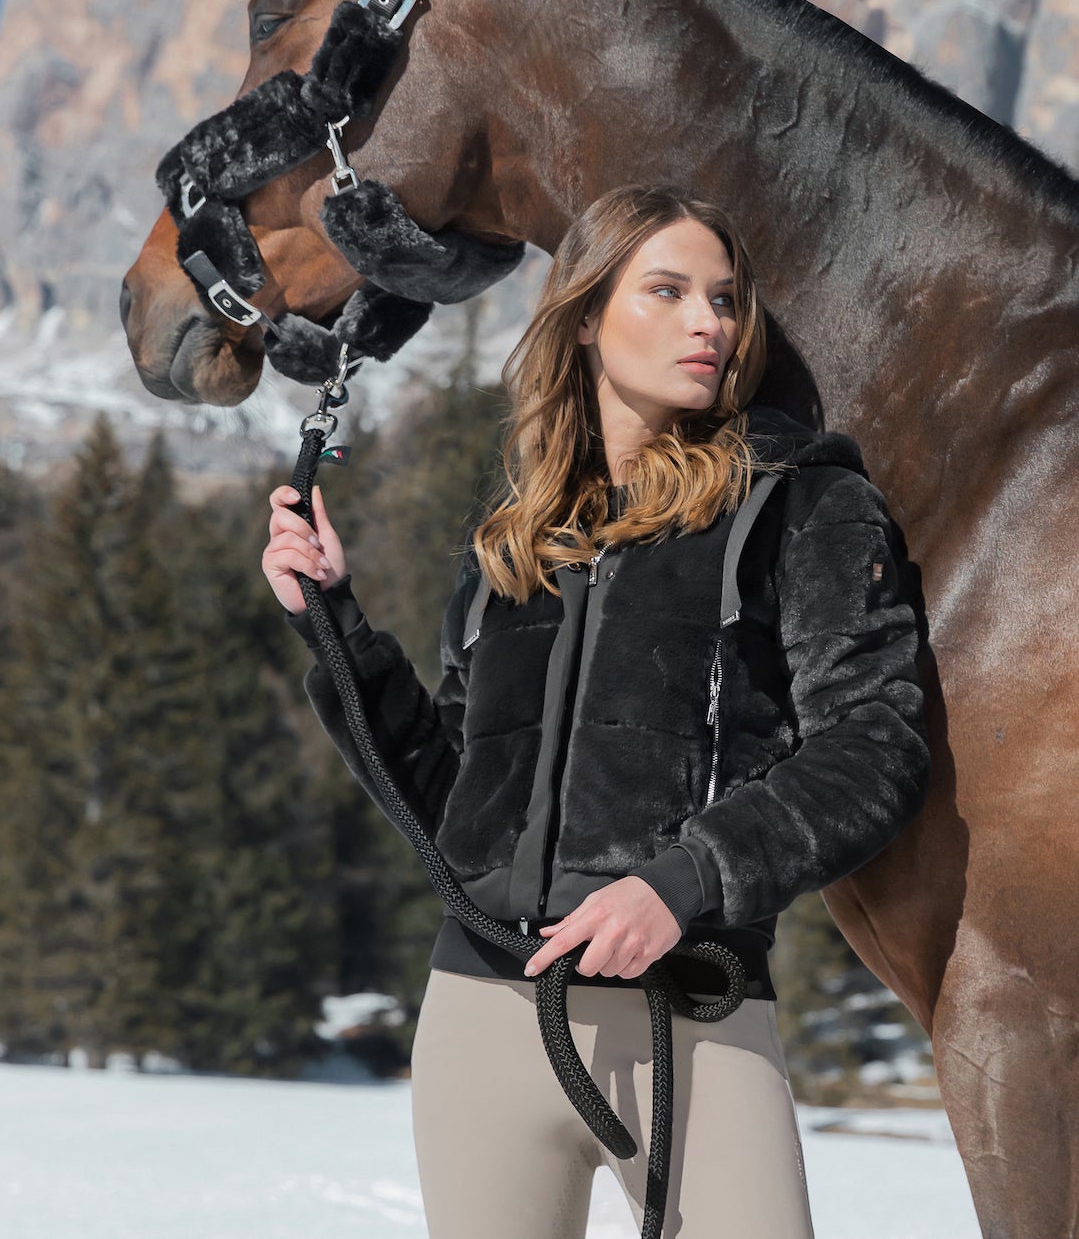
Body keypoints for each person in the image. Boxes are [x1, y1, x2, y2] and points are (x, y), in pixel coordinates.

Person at [261, 184, 931, 1239]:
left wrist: (680, 883)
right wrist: (333, 623)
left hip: (692, 1023)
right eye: (666, 290)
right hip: (479, 1024)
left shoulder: (799, 502)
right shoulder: (513, 549)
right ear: (585, 314)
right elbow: (454, 815)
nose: (708, 321)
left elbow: (876, 743)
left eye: (724, 297)